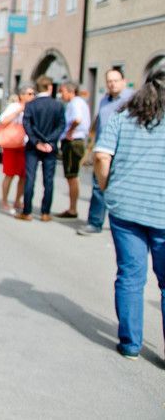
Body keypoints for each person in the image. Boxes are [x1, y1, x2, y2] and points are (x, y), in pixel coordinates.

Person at [93, 69, 165, 360]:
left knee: (130, 276)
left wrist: (106, 187)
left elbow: (101, 156)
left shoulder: (123, 116)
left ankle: (131, 344)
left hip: (125, 207)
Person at [78, 69, 134, 236]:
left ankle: (127, 224)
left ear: (123, 81)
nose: (112, 84)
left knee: (123, 187)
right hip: (103, 148)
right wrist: (92, 147)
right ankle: (94, 222)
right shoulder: (104, 100)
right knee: (98, 186)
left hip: (123, 150)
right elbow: (99, 124)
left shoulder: (132, 100)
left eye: (115, 80)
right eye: (109, 81)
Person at [18, 75, 66, 222]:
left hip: (33, 146)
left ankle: (27, 211)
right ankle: (45, 212)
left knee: (30, 178)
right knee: (48, 180)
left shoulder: (31, 105)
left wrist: (36, 141)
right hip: (50, 147)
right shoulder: (58, 105)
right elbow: (61, 125)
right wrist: (50, 141)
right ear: (50, 87)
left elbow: (27, 125)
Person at [56, 81, 91, 219]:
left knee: (72, 175)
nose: (61, 94)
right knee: (72, 175)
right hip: (76, 140)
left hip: (73, 141)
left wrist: (70, 131)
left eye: (63, 91)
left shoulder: (74, 103)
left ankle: (72, 208)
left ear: (70, 91)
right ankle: (72, 207)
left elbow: (77, 119)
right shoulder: (80, 102)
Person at [0, 86, 34, 214]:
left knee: (23, 175)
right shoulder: (14, 106)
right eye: (29, 94)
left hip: (25, 145)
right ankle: (4, 201)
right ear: (22, 95)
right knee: (9, 174)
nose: (32, 96)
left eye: (33, 94)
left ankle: (18, 200)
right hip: (12, 144)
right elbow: (3, 120)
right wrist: (19, 111)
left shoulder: (32, 108)